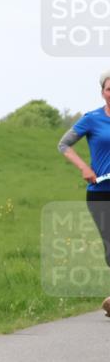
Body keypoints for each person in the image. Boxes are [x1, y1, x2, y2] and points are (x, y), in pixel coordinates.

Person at [58, 69, 110, 317]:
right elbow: (63, 144)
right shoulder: (92, 119)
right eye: (109, 89)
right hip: (100, 193)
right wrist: (84, 168)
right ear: (103, 93)